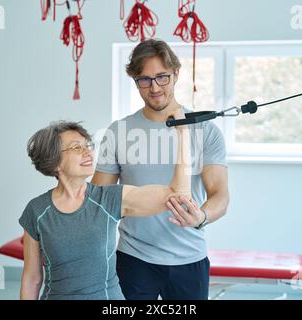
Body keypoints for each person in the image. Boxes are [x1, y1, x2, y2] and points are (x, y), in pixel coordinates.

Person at [92, 39, 229, 300]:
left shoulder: (205, 130)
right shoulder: (119, 132)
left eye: (162, 77)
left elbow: (221, 197)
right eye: (144, 80)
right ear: (135, 81)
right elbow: (99, 200)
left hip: (190, 258)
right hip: (134, 258)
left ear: (176, 74)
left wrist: (200, 216)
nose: (154, 87)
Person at [19, 115, 191, 300]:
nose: (88, 152)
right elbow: (32, 279)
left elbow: (177, 193)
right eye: (77, 147)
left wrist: (183, 133)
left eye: (88, 146)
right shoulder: (36, 210)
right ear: (55, 161)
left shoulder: (108, 199)